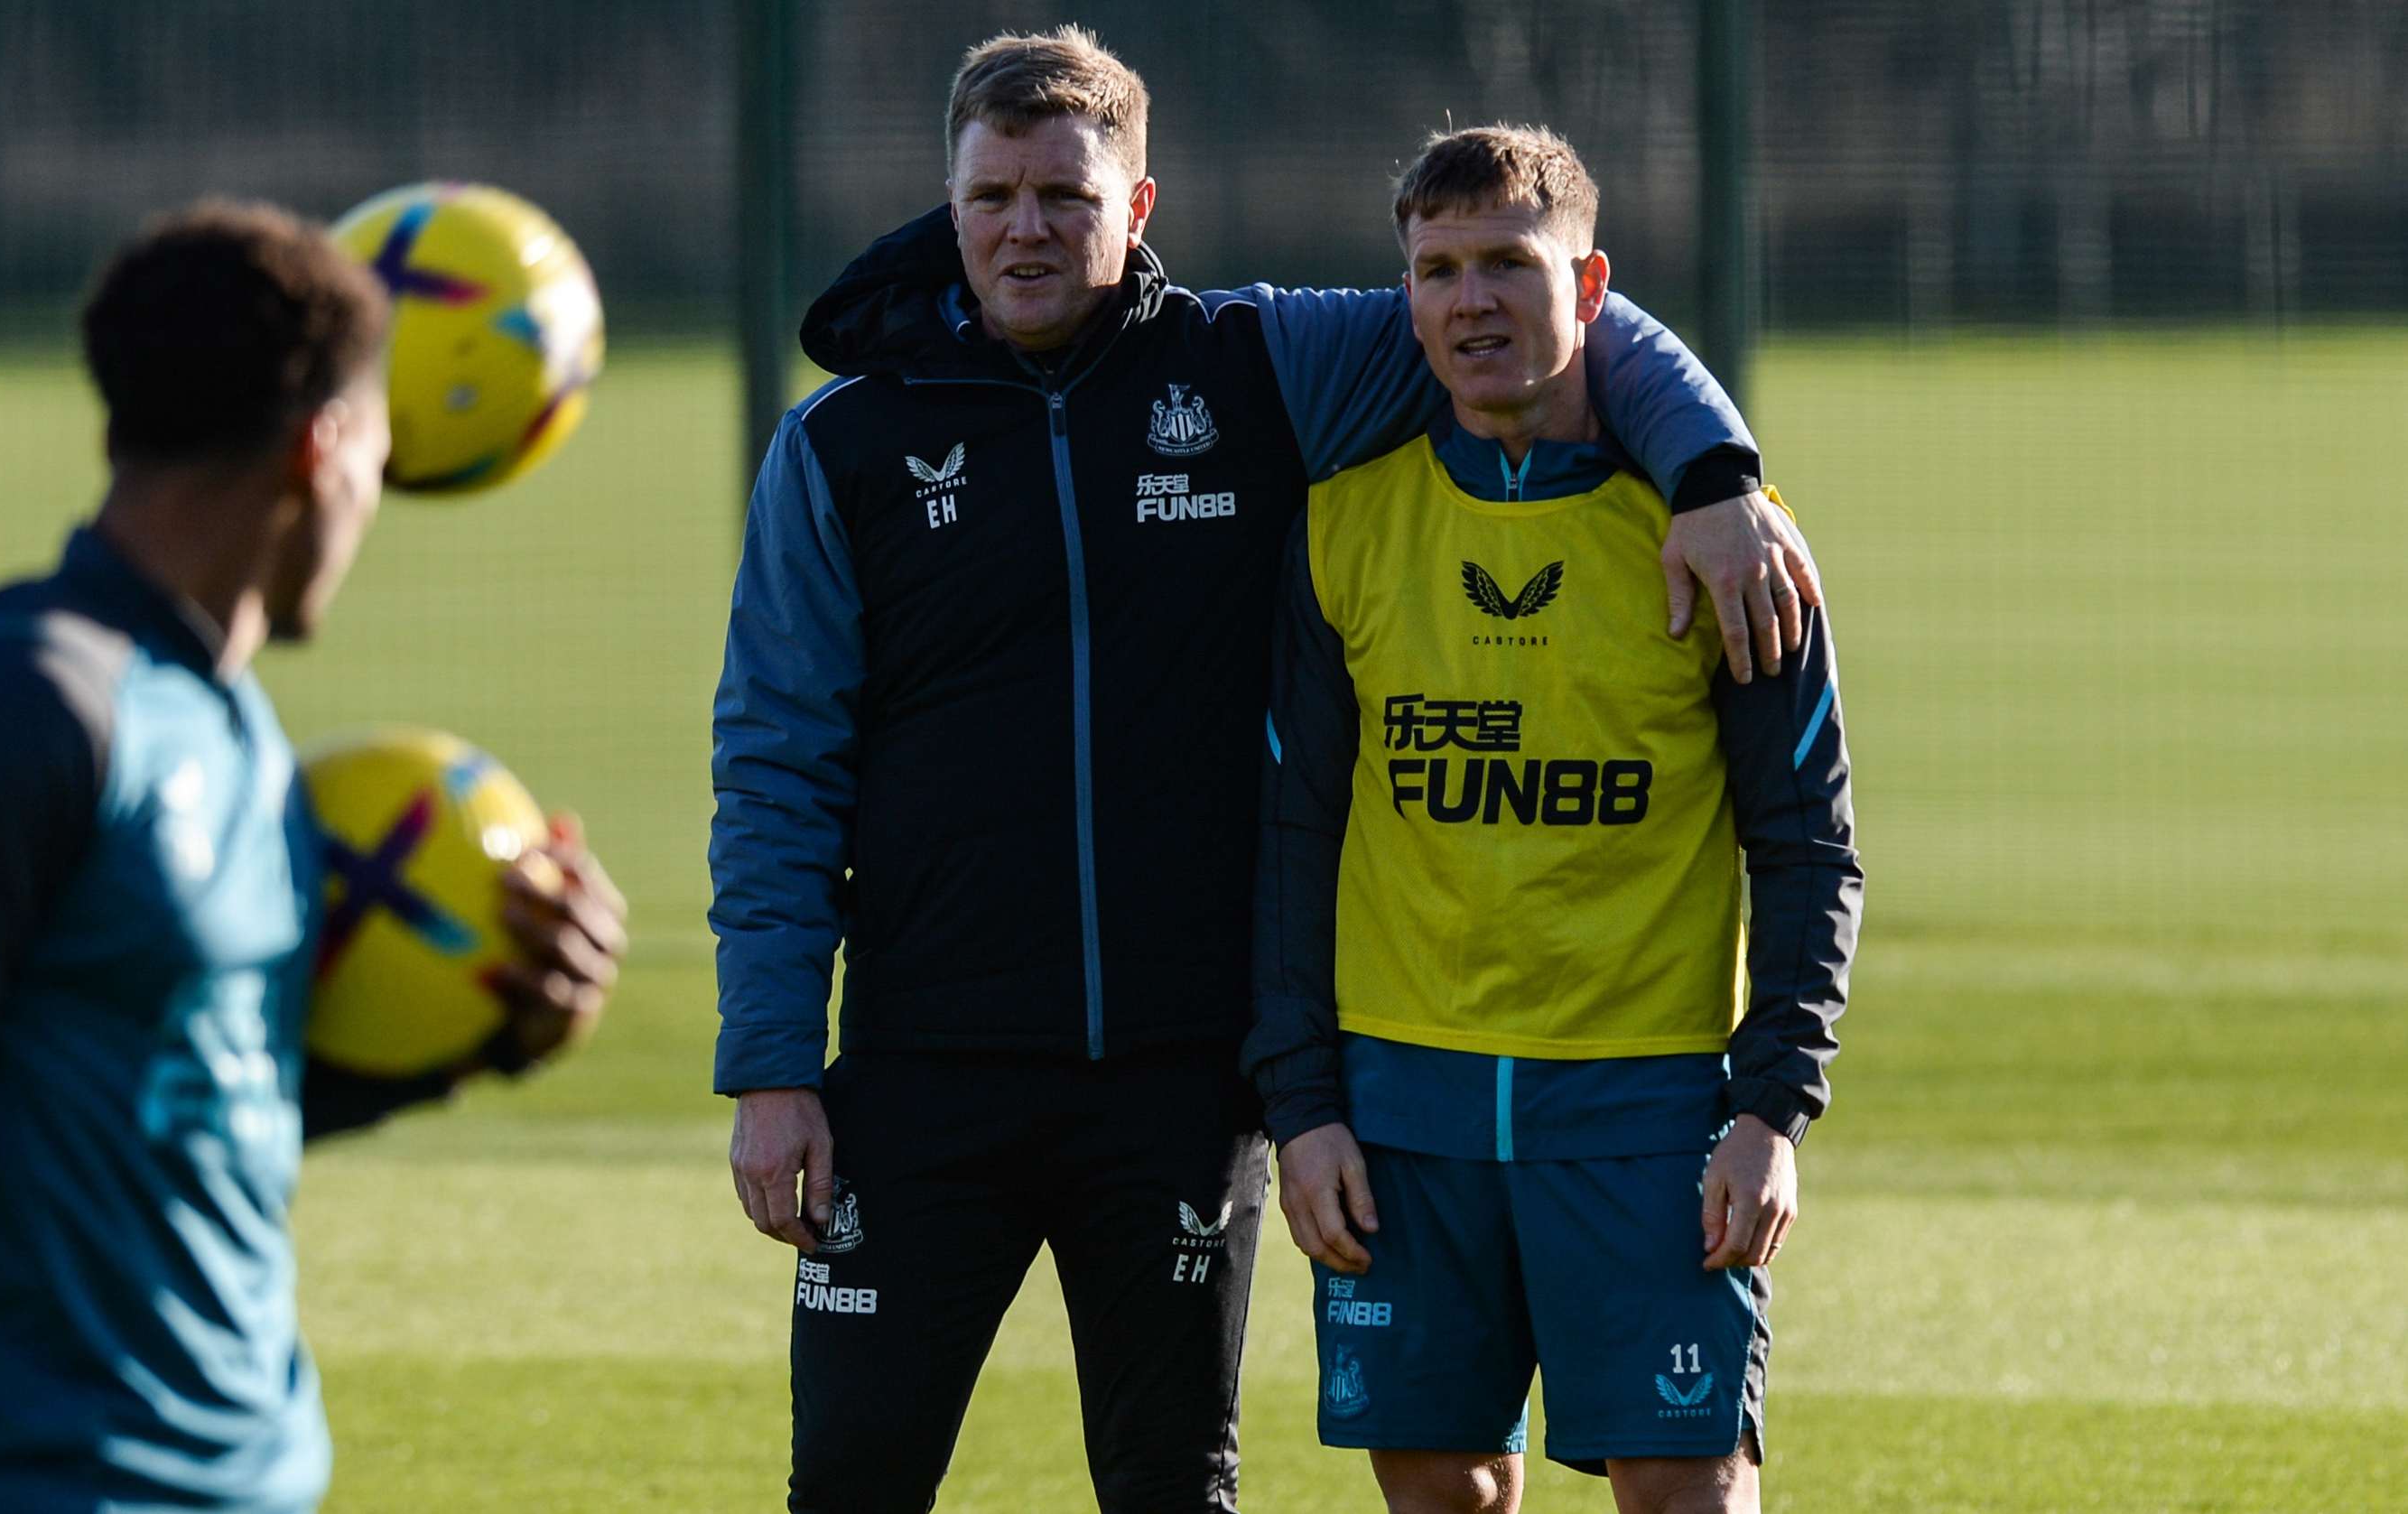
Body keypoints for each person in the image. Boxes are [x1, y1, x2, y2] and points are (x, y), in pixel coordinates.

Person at [711, 27, 1822, 1513]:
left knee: (1175, 1486)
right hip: (918, 1071)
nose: (1025, 228)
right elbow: (776, 763)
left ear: (1139, 204)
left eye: (1065, 193)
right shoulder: (841, 445)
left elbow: (1534, 312)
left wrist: (1712, 476)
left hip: (1179, 1078)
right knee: (848, 1481)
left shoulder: (1255, 364)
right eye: (991, 197)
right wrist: (774, 1063)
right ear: (949, 202)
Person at [0, 201, 627, 1514]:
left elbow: (209, 1100)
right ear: (320, 445)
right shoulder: (23, 701)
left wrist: (495, 1031)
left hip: (257, 1480)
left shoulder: (230, 722)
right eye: (378, 451)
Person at [1248, 125, 1862, 1514]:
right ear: (1404, 297)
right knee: (1443, 1490)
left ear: (1589, 289)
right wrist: (1302, 1108)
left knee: (1682, 1489)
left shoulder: (1728, 546)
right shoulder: (1341, 530)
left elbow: (1809, 844)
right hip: (1401, 1107)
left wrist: (1771, 1105)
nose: (1471, 302)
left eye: (1508, 265)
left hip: (1644, 1106)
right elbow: (1290, 840)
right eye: (1437, 269)